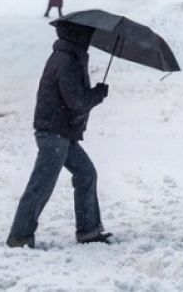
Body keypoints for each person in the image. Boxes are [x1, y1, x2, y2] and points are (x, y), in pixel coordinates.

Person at [6, 21, 112, 249]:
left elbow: (73, 99)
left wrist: (93, 94)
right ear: (78, 37)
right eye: (88, 36)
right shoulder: (66, 61)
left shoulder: (69, 58)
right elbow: (76, 102)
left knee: (86, 174)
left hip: (62, 133)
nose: (90, 41)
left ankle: (89, 231)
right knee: (41, 185)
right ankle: (19, 237)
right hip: (53, 134)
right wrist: (97, 94)